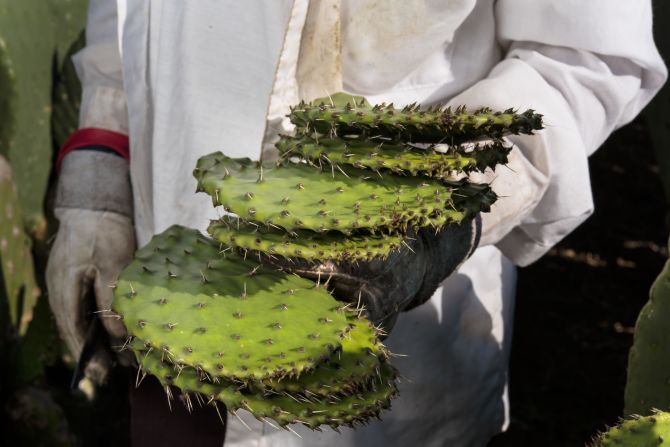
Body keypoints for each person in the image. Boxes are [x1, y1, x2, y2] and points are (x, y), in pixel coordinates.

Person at [46, 1, 667, 446]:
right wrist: (102, 169)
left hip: (388, 347)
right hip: (170, 300)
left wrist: (439, 219)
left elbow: (584, 58)